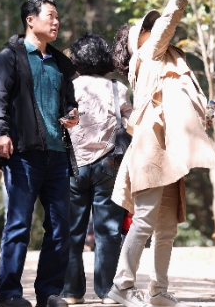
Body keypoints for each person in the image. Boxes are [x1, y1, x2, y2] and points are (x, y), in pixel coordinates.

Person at [107, 0, 215, 307]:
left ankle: (158, 290)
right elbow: (170, 16)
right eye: (149, 28)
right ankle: (122, 286)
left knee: (166, 226)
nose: (156, 29)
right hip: (150, 146)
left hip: (168, 148)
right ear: (140, 40)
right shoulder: (148, 55)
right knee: (144, 220)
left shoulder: (165, 60)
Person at [0, 0, 80, 307]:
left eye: (57, 17)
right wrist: (1, 132)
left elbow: (68, 102)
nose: (56, 22)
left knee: (59, 227)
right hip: (23, 154)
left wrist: (71, 114)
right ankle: (10, 294)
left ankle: (49, 292)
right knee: (18, 225)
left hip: (58, 154)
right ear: (30, 20)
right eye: (50, 16)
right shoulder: (9, 58)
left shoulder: (60, 63)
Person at [61, 33, 132, 305]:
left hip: (73, 165)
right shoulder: (118, 88)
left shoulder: (69, 87)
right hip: (109, 164)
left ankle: (71, 292)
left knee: (71, 230)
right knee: (108, 231)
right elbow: (130, 123)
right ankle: (107, 292)